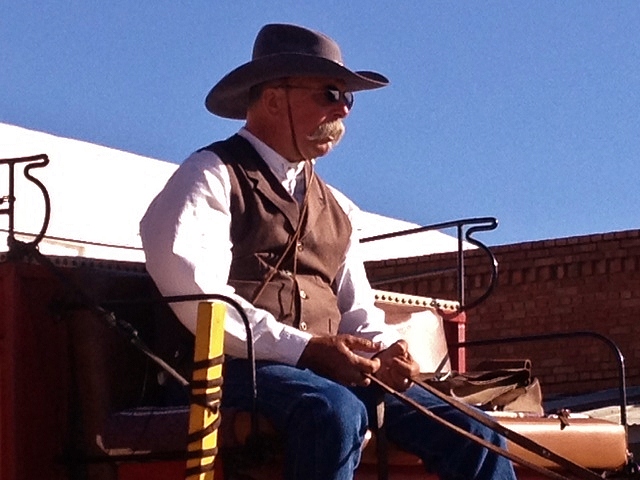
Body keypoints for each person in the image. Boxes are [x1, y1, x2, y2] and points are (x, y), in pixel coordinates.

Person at [140, 23, 517, 480]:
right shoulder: (211, 175)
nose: (343, 108)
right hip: (229, 373)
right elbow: (202, 298)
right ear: (273, 99)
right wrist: (307, 350)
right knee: (333, 412)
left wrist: (386, 351)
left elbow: (357, 312)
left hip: (325, 374)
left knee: (473, 431)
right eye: (329, 94)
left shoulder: (337, 208)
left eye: (347, 97)